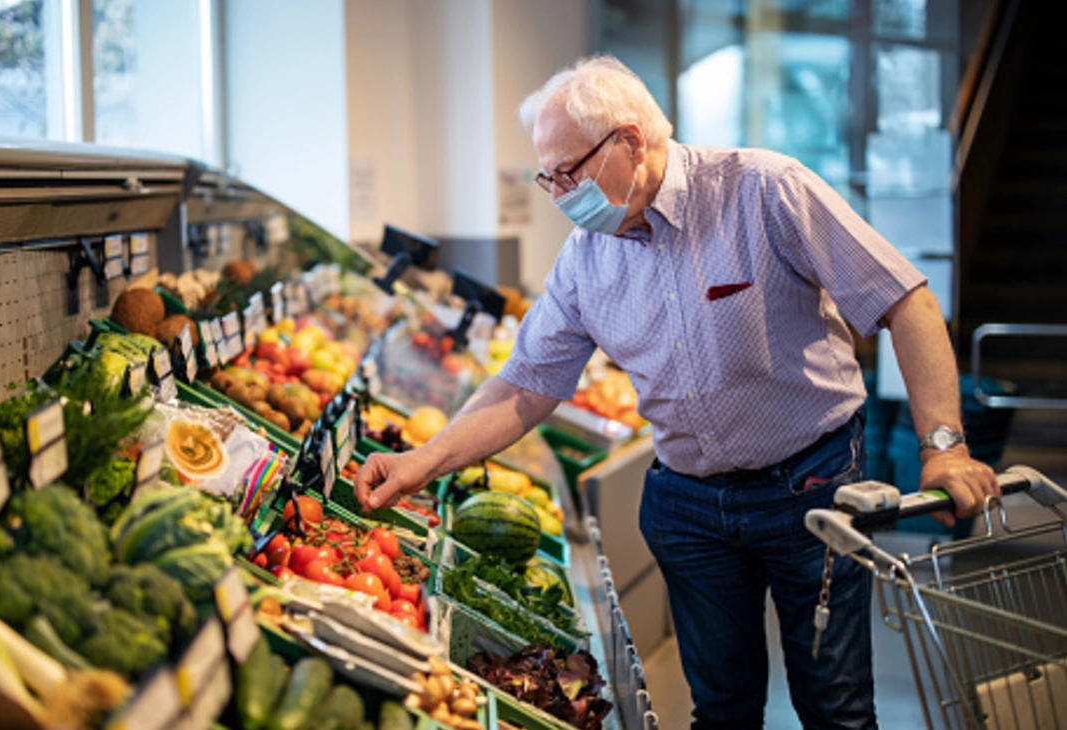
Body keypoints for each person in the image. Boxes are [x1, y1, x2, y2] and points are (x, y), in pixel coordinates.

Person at [354, 55, 999, 729]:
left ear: (630, 142)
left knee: (833, 706)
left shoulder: (763, 189)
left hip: (810, 487)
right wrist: (419, 462)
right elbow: (525, 382)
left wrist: (944, 448)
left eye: (568, 171)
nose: (558, 192)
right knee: (721, 709)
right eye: (547, 176)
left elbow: (905, 301)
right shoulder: (584, 257)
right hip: (689, 505)